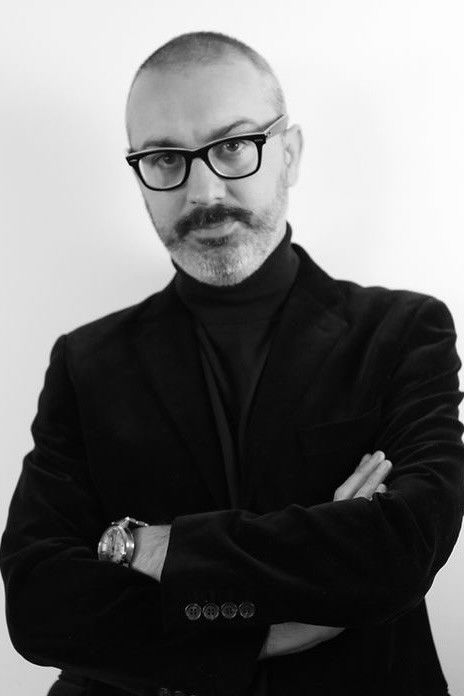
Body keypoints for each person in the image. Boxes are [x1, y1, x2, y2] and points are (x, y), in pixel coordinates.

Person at [1, 30, 463, 696]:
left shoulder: (404, 332)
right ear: (139, 175)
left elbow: (403, 547)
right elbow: (39, 605)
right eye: (165, 158)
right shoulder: (84, 362)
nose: (204, 190)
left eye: (233, 146)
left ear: (289, 154)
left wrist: (158, 549)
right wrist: (274, 628)